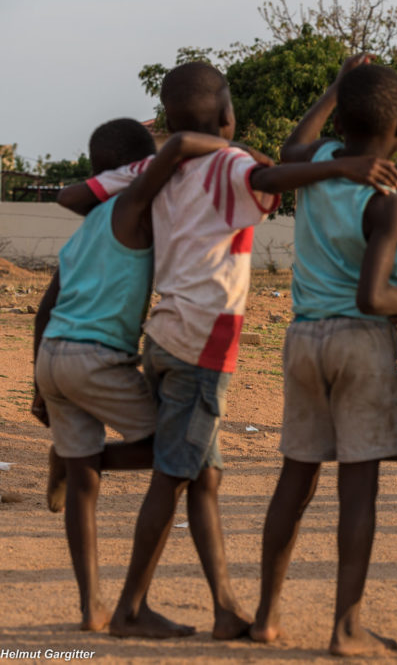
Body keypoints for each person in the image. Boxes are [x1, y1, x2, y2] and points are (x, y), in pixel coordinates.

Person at [71, 62, 397, 640]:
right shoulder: (230, 164)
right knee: (174, 477)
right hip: (207, 344)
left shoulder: (159, 166)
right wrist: (348, 163)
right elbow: (273, 178)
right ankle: (129, 607)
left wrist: (174, 149)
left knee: (208, 477)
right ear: (227, 116)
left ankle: (233, 610)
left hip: (171, 335)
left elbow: (79, 195)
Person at [249, 58, 397, 657]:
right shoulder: (386, 201)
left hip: (304, 339)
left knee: (294, 479)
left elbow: (285, 151)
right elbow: (376, 297)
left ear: (339, 122)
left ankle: (267, 615)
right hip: (360, 345)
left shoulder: (316, 164)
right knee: (358, 492)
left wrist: (331, 88)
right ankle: (345, 627)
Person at [32, 119, 230, 632]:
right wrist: (232, 150)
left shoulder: (84, 233)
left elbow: (44, 309)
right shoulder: (134, 206)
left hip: (54, 355)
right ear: (138, 171)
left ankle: (90, 607)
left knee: (83, 483)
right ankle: (130, 607)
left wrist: (38, 387)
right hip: (96, 359)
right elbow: (183, 145)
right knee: (172, 453)